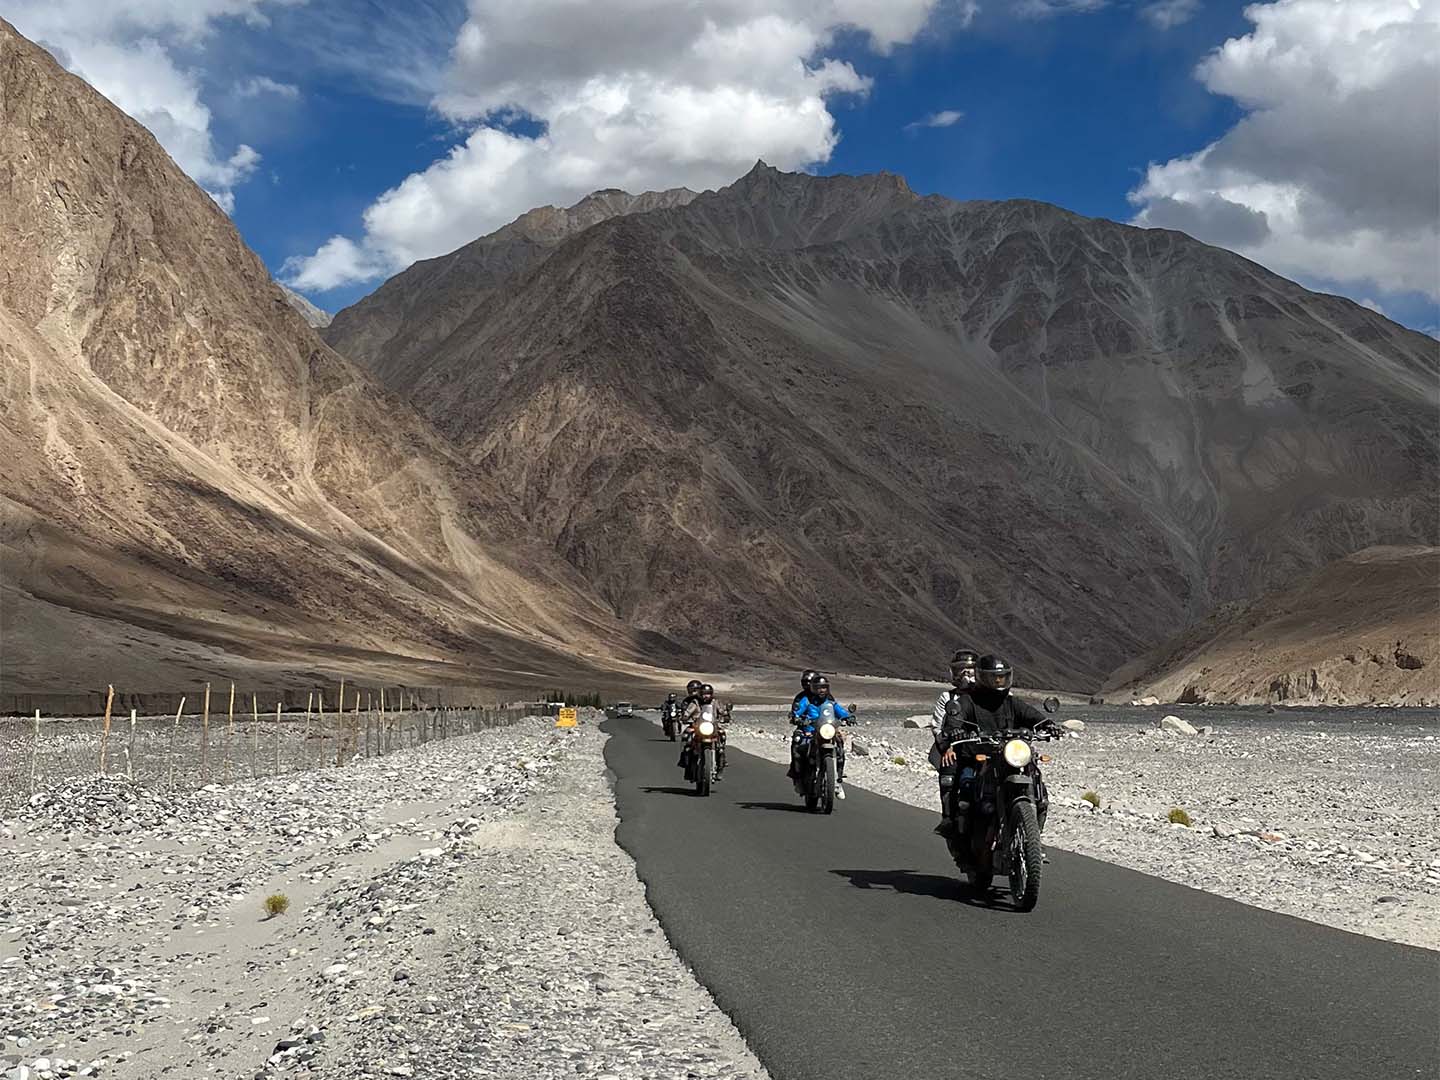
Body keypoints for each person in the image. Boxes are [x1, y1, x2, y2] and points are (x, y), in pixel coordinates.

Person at [935, 655, 1054, 834]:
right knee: (965, 792)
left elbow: (1031, 716)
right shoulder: (968, 701)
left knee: (1039, 789)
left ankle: (1033, 838)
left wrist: (1048, 725)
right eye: (994, 677)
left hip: (1008, 755)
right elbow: (954, 721)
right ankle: (955, 826)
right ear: (982, 677)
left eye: (1002, 677)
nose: (998, 681)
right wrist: (955, 730)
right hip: (978, 757)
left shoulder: (1011, 702)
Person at [929, 649, 979, 834]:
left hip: (987, 744)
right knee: (949, 774)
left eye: (971, 670)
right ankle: (948, 817)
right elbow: (938, 726)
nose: (966, 674)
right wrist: (947, 746)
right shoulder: (948, 697)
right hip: (958, 746)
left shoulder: (988, 695)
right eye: (961, 670)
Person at [788, 674, 849, 799]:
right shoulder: (806, 700)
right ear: (813, 688)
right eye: (818, 688)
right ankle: (799, 777)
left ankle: (838, 780)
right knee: (798, 748)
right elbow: (797, 712)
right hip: (810, 731)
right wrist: (796, 718)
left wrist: (848, 717)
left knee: (840, 746)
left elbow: (840, 711)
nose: (821, 690)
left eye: (824, 687)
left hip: (827, 730)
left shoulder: (830, 701)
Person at [680, 683, 729, 778]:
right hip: (697, 726)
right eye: (703, 693)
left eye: (707, 693)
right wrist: (685, 716)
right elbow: (688, 711)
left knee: (722, 735)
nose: (705, 696)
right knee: (687, 737)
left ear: (711, 694)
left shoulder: (715, 702)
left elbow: (722, 710)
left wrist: (726, 715)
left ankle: (721, 763)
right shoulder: (695, 702)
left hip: (712, 726)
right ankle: (685, 760)